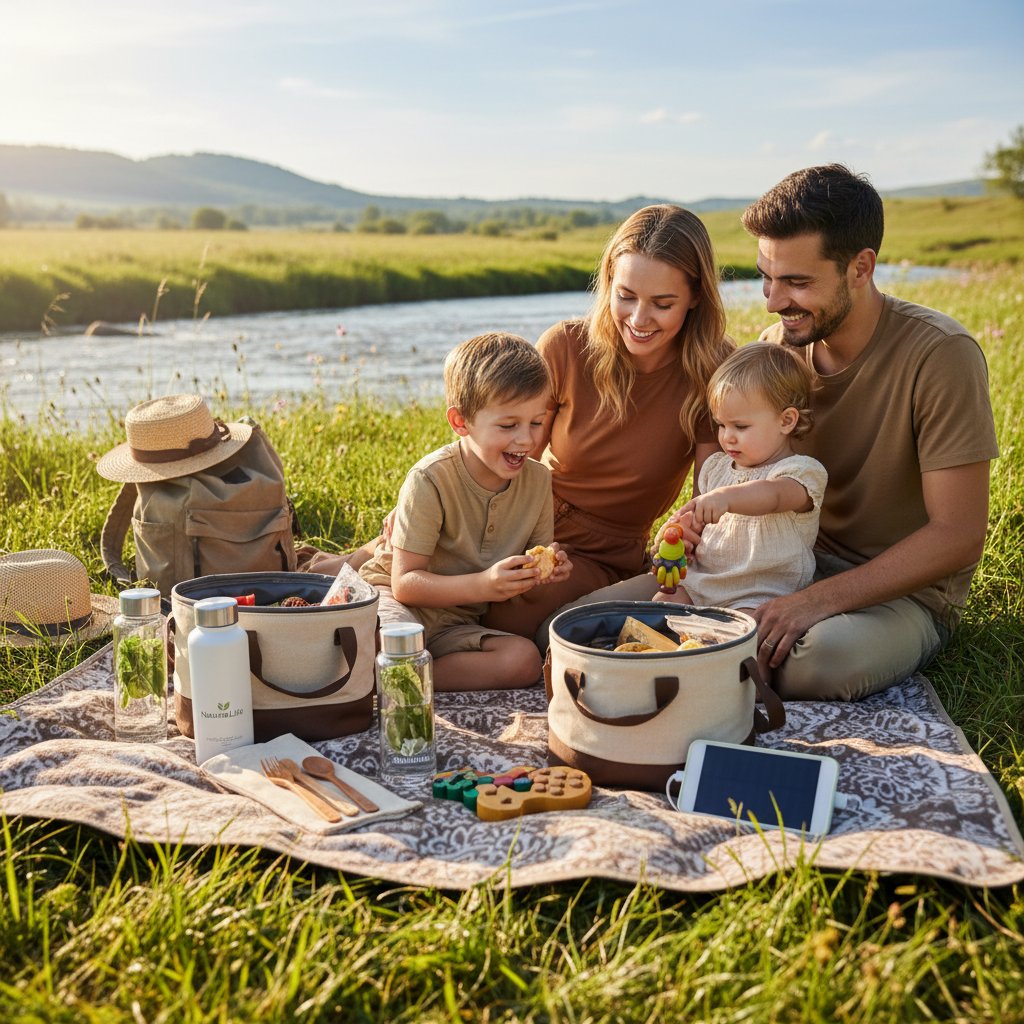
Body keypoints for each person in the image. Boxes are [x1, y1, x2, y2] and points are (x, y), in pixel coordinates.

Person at [740, 163, 998, 700]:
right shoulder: (778, 349)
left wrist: (818, 601)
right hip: (794, 564)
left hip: (902, 595)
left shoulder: (941, 355)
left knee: (817, 662)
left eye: (797, 281)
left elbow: (959, 533)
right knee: (616, 614)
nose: (773, 300)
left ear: (861, 267)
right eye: (767, 276)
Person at [481, 204, 734, 644]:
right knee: (413, 570)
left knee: (510, 616)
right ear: (609, 285)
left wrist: (680, 550)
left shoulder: (714, 371)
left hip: (603, 551)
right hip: (524, 517)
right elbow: (511, 450)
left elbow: (704, 500)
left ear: (696, 296)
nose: (638, 319)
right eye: (626, 296)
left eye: (662, 303)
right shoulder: (566, 346)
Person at [359, 332, 571, 692]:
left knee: (524, 661)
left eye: (537, 422)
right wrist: (484, 584)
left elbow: (531, 562)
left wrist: (542, 572)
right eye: (508, 425)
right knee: (392, 642)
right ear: (460, 422)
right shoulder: (430, 479)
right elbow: (405, 583)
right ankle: (392, 670)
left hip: (457, 622)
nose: (527, 440)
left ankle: (397, 680)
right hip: (395, 604)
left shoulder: (537, 481)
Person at [653, 342, 827, 612]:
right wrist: (682, 533)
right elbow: (700, 523)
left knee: (745, 632)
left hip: (763, 593)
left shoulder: (801, 473)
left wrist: (725, 498)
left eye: (741, 426)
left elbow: (772, 496)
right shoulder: (717, 469)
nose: (727, 436)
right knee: (660, 605)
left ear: (786, 421)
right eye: (721, 424)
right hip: (704, 584)